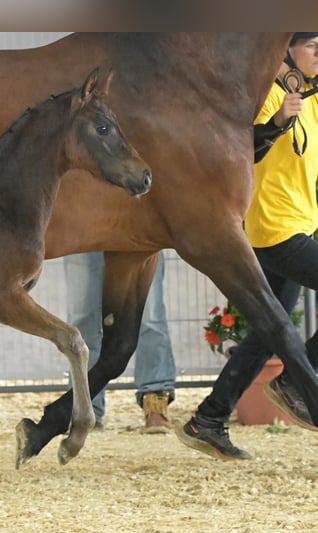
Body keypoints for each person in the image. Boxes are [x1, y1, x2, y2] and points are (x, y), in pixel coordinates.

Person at [176, 32, 318, 460]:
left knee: (267, 330)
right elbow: (245, 150)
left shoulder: (310, 98)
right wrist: (276, 125)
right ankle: (297, 379)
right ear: (286, 50)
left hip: (300, 227)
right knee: (272, 329)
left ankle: (209, 419)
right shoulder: (268, 96)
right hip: (275, 231)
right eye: (314, 46)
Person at [64, 250, 177, 433]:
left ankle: (155, 400)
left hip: (139, 228)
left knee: (149, 313)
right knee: (83, 316)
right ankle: (86, 406)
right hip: (83, 229)